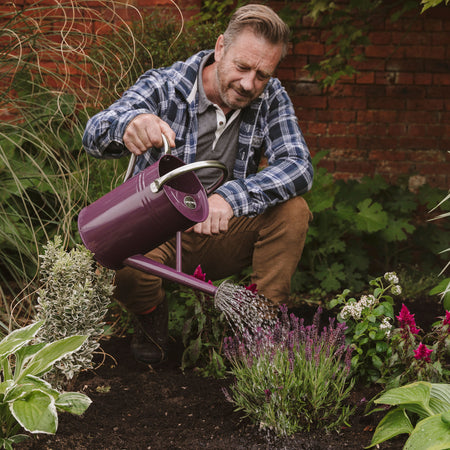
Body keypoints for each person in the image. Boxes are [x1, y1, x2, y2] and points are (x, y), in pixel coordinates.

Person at [82, 4, 313, 365]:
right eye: (242, 67)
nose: (250, 83)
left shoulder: (270, 96)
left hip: (218, 228)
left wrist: (231, 198)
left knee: (293, 210)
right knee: (117, 255)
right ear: (220, 48)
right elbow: (94, 133)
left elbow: (298, 166)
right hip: (156, 231)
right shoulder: (167, 84)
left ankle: (261, 325)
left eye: (262, 74)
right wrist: (129, 123)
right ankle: (149, 314)